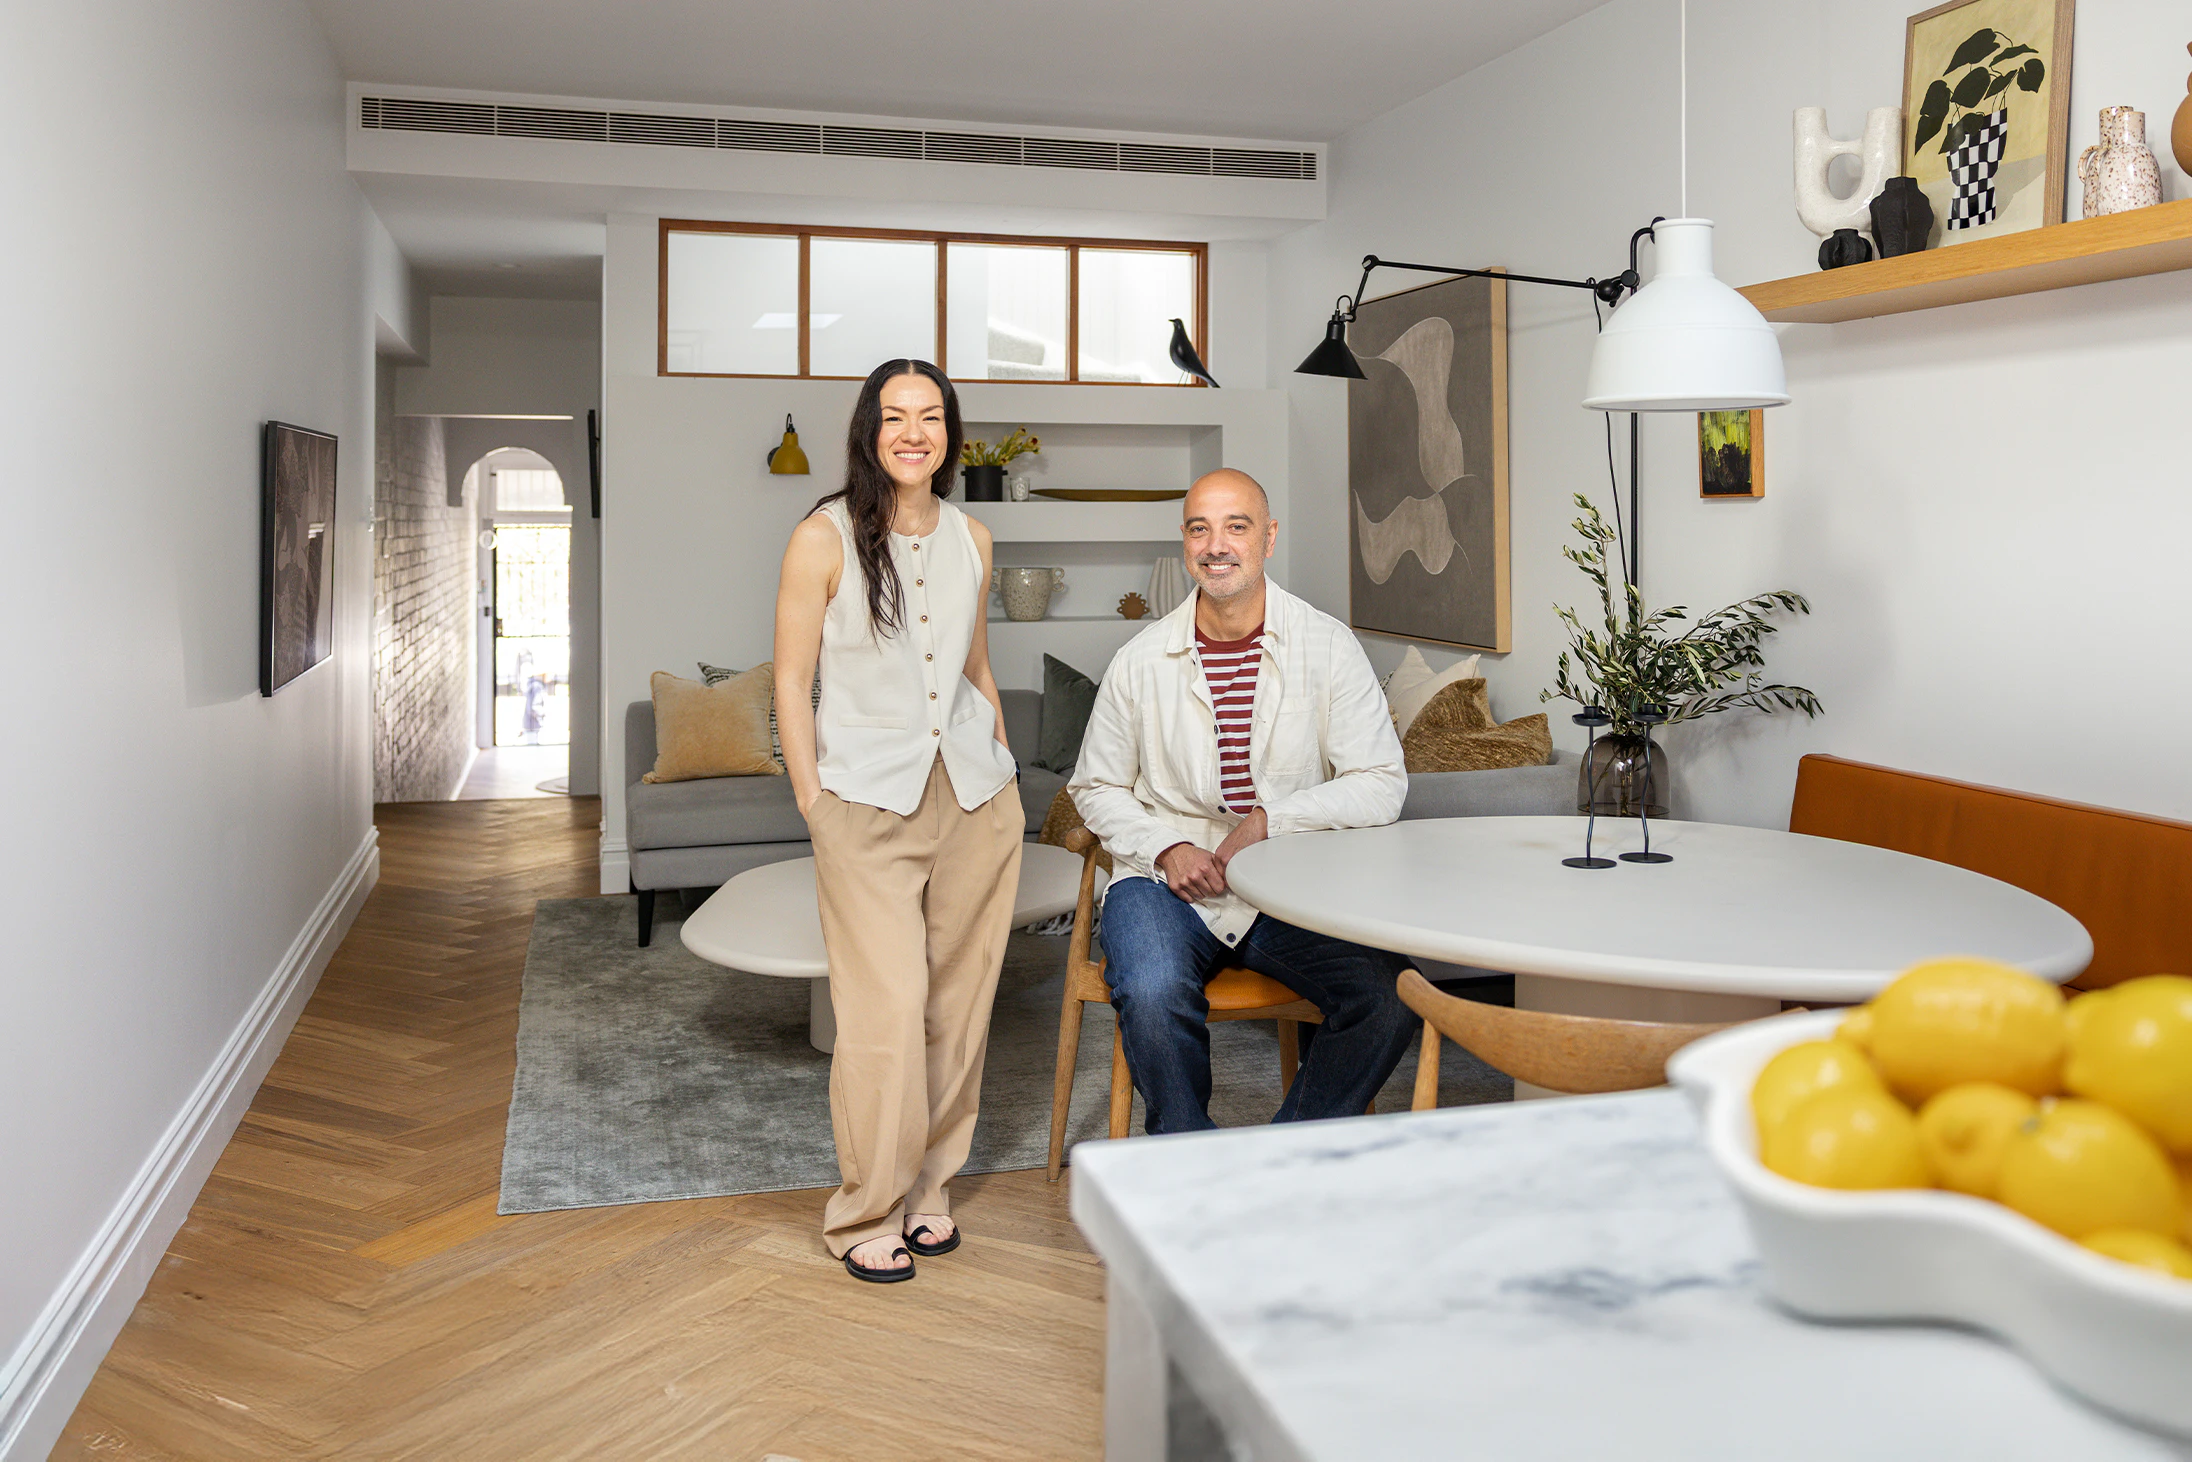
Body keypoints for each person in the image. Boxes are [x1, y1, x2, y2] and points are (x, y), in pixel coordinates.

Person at [1068, 469, 1417, 1134]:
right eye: (1200, 527)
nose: (1217, 544)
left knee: (1389, 996)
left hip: (1292, 886)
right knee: (1150, 991)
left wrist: (1271, 821)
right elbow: (1095, 786)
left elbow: (1381, 782)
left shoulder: (1328, 647)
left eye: (1237, 526)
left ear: (1269, 537)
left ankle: (1279, 1160)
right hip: (1162, 884)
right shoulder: (1140, 660)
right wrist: (1165, 847)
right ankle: (1190, 1160)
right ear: (1184, 542)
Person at [773, 359, 1023, 1283]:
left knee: (960, 1008)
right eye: (894, 417)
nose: (913, 432)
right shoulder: (822, 536)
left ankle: (930, 1191)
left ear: (951, 432)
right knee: (882, 1013)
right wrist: (813, 803)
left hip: (974, 800)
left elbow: (976, 668)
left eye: (930, 416)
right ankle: (864, 1211)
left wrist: (1001, 769)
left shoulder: (974, 537)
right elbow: (793, 682)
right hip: (863, 806)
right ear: (869, 431)